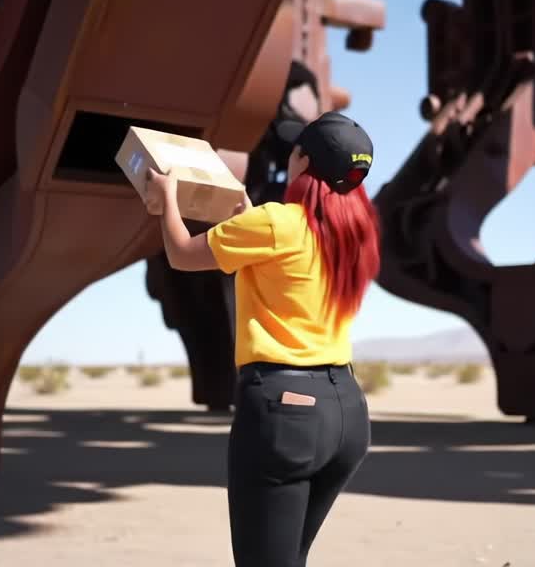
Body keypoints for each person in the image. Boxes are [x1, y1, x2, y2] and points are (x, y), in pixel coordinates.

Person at [144, 110, 381, 566]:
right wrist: (249, 217)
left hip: (285, 412)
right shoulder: (355, 234)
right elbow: (289, 266)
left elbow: (181, 254)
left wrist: (167, 198)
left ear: (303, 162)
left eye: (295, 150)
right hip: (347, 413)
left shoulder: (279, 222)